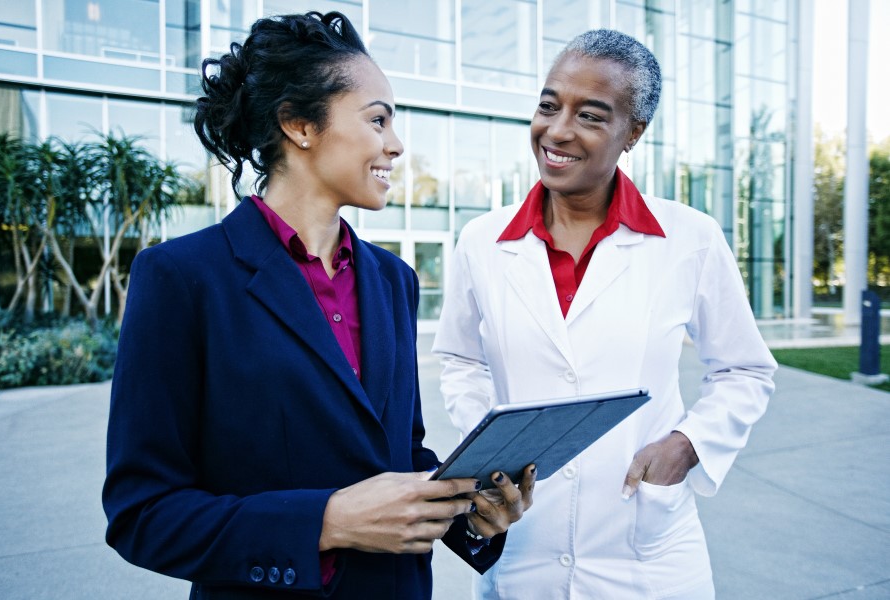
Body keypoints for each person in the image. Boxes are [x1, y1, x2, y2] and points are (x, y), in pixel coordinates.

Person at [102, 11, 535, 600]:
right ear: (299, 125)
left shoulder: (393, 280)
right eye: (377, 119)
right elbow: (143, 513)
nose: (396, 144)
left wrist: (471, 511)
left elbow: (399, 454)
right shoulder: (181, 278)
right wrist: (326, 523)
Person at [433, 29, 777, 599]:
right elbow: (460, 360)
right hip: (523, 542)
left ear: (633, 132)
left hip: (647, 549)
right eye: (549, 105)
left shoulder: (689, 238)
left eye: (590, 115)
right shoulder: (481, 241)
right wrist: (495, 449)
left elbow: (744, 370)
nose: (558, 130)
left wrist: (687, 444)